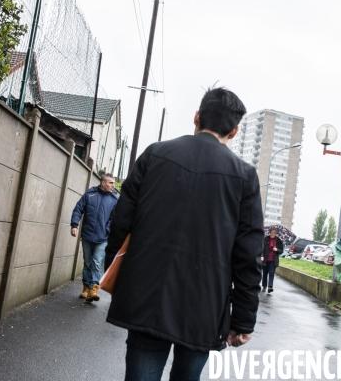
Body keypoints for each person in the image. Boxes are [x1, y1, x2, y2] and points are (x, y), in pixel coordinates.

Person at [105, 87, 264, 381]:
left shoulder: (155, 154)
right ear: (235, 132)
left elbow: (121, 222)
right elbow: (248, 255)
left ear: (197, 117)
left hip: (146, 293)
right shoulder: (244, 177)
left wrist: (114, 275)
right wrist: (243, 319)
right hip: (204, 306)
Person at [70, 173, 118, 302]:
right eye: (110, 183)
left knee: (97, 262)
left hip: (102, 237)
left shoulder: (114, 199)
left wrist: (107, 230)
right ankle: (86, 287)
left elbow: (115, 218)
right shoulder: (90, 195)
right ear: (103, 183)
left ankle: (93, 289)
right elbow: (78, 209)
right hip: (87, 235)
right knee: (88, 262)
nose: (113, 186)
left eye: (113, 183)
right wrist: (74, 225)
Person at [261, 227, 284, 293]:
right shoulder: (265, 239)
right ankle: (264, 286)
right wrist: (262, 256)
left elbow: (281, 251)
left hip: (273, 260)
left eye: (274, 233)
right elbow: (262, 248)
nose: (272, 234)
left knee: (271, 273)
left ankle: (270, 287)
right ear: (269, 232)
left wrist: (277, 250)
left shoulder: (279, 241)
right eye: (271, 232)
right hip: (266, 259)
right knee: (265, 273)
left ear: (276, 233)